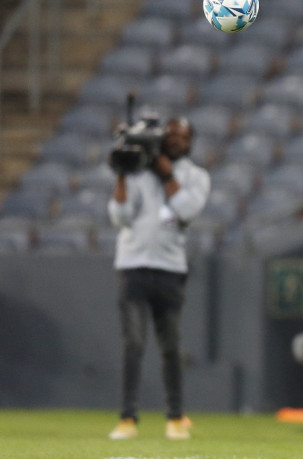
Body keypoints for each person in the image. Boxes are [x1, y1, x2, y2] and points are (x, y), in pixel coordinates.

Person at [107, 117, 210, 440]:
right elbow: (120, 217)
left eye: (182, 136)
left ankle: (175, 418)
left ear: (191, 141)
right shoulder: (138, 171)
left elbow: (186, 211)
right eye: (171, 135)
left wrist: (165, 174)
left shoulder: (196, 176)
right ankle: (127, 418)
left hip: (170, 269)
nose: (176, 140)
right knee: (133, 344)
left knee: (171, 347)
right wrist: (122, 173)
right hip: (133, 264)